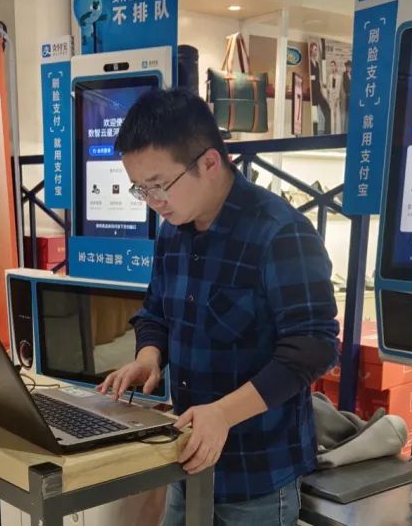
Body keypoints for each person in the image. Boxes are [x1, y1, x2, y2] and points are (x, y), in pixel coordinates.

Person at [97, 89, 339, 525]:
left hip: (257, 474)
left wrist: (223, 415)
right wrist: (149, 356)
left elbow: (313, 348)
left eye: (159, 185)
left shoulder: (280, 233)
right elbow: (156, 310)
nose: (153, 201)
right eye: (141, 189)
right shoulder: (173, 229)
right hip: (186, 455)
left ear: (209, 162)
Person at [308, 41, 331, 135]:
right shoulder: (308, 62)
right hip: (312, 92)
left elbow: (318, 78)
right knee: (314, 116)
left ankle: (327, 133)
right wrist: (312, 77)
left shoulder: (317, 63)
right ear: (311, 50)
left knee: (327, 110)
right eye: (315, 50)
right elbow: (308, 76)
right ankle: (314, 135)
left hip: (318, 91)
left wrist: (322, 91)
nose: (316, 51)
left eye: (317, 50)